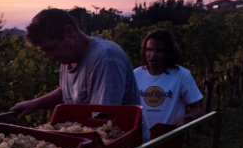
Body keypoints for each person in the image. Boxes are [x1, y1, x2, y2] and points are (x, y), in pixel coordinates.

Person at [11, 7, 144, 116]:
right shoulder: (69, 57)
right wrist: (35, 104)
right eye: (45, 52)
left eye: (51, 48)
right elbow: (71, 92)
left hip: (123, 146)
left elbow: (104, 122)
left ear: (69, 32)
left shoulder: (105, 59)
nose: (50, 58)